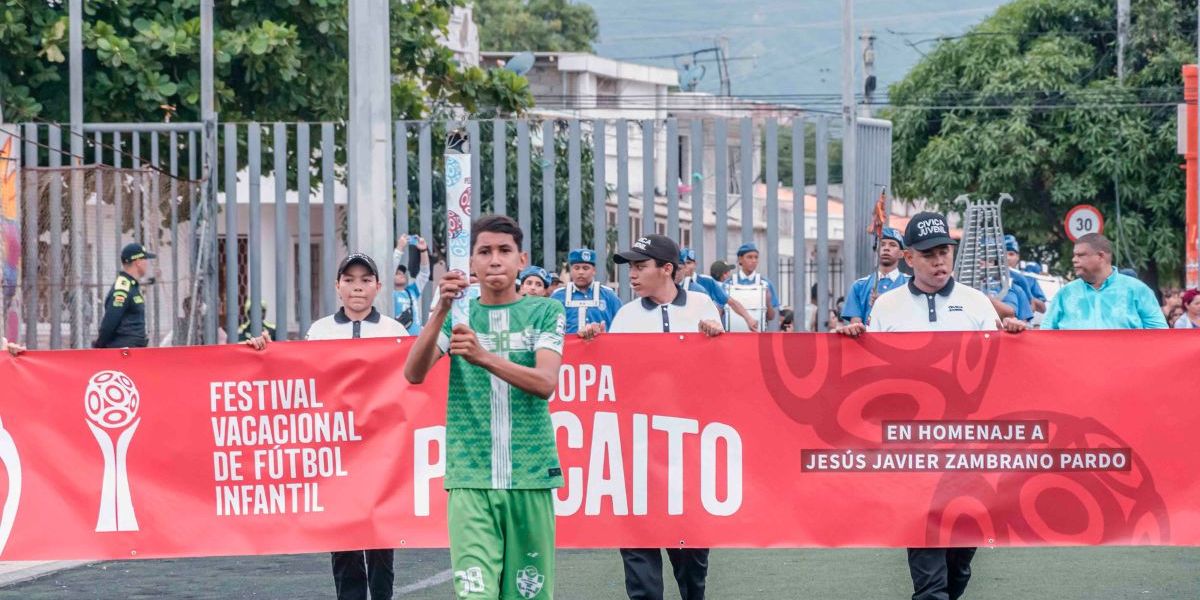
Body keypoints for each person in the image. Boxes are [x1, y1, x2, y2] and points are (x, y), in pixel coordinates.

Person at [835, 211, 1025, 600]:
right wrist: (853, 339)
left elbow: (1002, 372)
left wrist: (1015, 337)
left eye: (944, 252)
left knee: (960, 555)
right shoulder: (887, 307)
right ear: (910, 258)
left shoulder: (976, 303)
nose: (939, 261)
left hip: (969, 445)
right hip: (913, 447)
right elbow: (870, 372)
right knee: (927, 561)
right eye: (929, 255)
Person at [404, 215, 565, 600]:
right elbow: (413, 373)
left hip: (530, 474)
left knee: (527, 595)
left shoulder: (546, 312)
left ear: (521, 259)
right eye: (485, 252)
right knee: (475, 595)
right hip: (470, 477)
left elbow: (545, 384)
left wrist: (484, 356)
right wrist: (441, 309)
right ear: (471, 263)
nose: (495, 260)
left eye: (504, 251)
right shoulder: (459, 316)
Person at [245, 251, 407, 600]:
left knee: (381, 540)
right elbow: (300, 376)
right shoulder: (320, 330)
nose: (357, 288)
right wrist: (263, 354)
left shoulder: (394, 330)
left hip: (381, 450)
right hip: (336, 450)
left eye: (365, 280)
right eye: (349, 280)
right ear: (337, 286)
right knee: (344, 538)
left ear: (378, 286)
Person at [585, 233, 721, 600]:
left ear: (667, 269)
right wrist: (591, 347)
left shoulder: (703, 306)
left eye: (640, 266)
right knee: (639, 557)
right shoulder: (625, 316)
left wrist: (718, 340)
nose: (632, 274)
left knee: (692, 562)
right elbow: (610, 379)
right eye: (631, 266)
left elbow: (724, 373)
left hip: (689, 450)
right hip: (637, 451)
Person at [1042, 234, 1167, 330]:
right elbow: (1044, 335)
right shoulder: (1065, 294)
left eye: (1080, 255)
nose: (1074, 260)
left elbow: (1159, 335)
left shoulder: (1138, 290)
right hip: (1075, 363)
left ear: (1101, 256)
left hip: (1127, 363)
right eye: (1074, 255)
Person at [678, 248, 758, 331]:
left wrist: (748, 319)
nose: (685, 266)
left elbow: (731, 302)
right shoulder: (672, 283)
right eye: (682, 264)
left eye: (688, 263)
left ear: (695, 264)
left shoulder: (707, 281)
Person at [842, 227, 910, 324]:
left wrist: (884, 304)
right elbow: (856, 327)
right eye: (882, 244)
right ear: (876, 250)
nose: (886, 248)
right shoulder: (859, 286)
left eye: (892, 245)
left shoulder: (911, 284)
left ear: (901, 254)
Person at [94, 243, 155, 349]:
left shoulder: (132, 286)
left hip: (134, 348)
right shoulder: (123, 288)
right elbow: (110, 320)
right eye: (145, 259)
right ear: (138, 262)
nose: (147, 264)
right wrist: (99, 346)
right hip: (124, 350)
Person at [550, 248, 621, 338]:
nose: (581, 272)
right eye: (576, 268)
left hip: (602, 350)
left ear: (594, 270)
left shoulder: (609, 295)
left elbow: (621, 325)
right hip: (567, 350)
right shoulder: (557, 296)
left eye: (585, 268)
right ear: (571, 270)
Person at [726, 243, 780, 326]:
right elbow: (720, 310)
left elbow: (771, 317)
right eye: (749, 257)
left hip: (757, 335)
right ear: (740, 259)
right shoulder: (728, 284)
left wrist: (768, 302)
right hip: (733, 334)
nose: (754, 260)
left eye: (756, 257)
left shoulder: (765, 284)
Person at [393, 235, 430, 335]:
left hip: (415, 340)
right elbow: (388, 270)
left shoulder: (412, 291)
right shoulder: (389, 295)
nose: (401, 275)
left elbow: (424, 273)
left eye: (402, 273)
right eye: (397, 273)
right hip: (398, 340)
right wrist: (400, 247)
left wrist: (423, 251)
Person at [1003, 235, 1047, 313]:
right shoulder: (991, 278)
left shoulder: (1028, 278)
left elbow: (1043, 308)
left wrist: (1027, 296)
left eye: (1011, 254)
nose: (1007, 258)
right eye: (1003, 254)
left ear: (1018, 257)